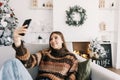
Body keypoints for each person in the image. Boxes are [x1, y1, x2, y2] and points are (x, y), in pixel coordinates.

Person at [0, 25, 78, 80]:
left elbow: (72, 76)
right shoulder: (44, 53)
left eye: (56, 38)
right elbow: (29, 62)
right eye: (51, 39)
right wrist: (17, 42)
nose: (52, 40)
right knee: (12, 62)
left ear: (62, 40)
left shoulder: (71, 58)